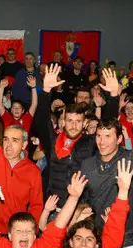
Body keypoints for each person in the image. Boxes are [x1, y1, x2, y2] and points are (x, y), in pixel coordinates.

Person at [80, 69, 133, 246]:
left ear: (120, 139)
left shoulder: (131, 160)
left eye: (108, 137)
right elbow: (83, 199)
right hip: (94, 235)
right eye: (99, 135)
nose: (102, 142)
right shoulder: (87, 165)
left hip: (125, 236)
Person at [36, 64, 116, 214]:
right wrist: (46, 91)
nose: (73, 125)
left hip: (81, 211)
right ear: (63, 122)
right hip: (53, 209)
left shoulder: (91, 142)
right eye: (70, 121)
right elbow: (41, 119)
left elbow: (109, 125)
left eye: (78, 121)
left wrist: (114, 96)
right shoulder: (52, 140)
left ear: (85, 123)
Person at [0, 80, 43, 234]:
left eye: (15, 140)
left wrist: (28, 232)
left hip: (16, 235)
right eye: (6, 139)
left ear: (24, 145)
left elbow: (36, 206)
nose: (8, 144)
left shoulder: (33, 171)